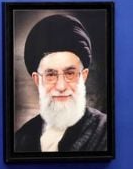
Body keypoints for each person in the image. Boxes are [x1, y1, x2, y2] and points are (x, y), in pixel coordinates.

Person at [14, 14, 107, 152]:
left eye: (70, 73)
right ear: (37, 80)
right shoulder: (21, 138)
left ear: (84, 76)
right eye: (51, 75)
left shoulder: (105, 131)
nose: (61, 87)